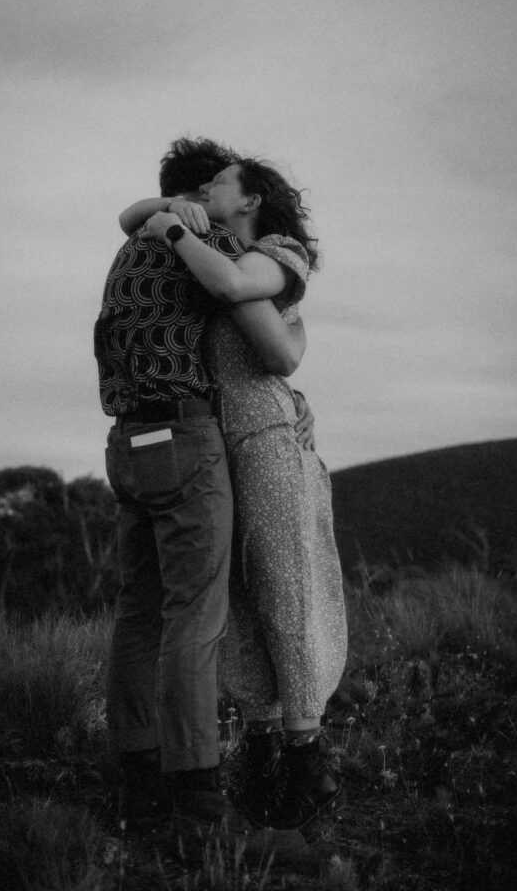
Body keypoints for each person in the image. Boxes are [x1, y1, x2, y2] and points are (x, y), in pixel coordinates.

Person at [94, 139, 308, 839]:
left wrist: (155, 211)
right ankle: (198, 802)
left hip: (126, 441)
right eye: (214, 181)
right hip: (184, 439)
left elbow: (131, 214)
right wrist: (292, 360)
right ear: (203, 194)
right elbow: (271, 349)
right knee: (195, 618)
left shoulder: (132, 247)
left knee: (139, 614)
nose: (220, 190)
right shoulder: (204, 237)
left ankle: (139, 787)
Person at [130, 156, 348, 832]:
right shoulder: (217, 246)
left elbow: (272, 348)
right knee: (242, 601)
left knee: (286, 594)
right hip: (221, 447)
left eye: (217, 183)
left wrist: (170, 228)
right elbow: (129, 215)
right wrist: (165, 213)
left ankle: (306, 764)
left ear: (250, 197)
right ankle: (260, 749)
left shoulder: (269, 256)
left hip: (268, 442)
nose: (203, 193)